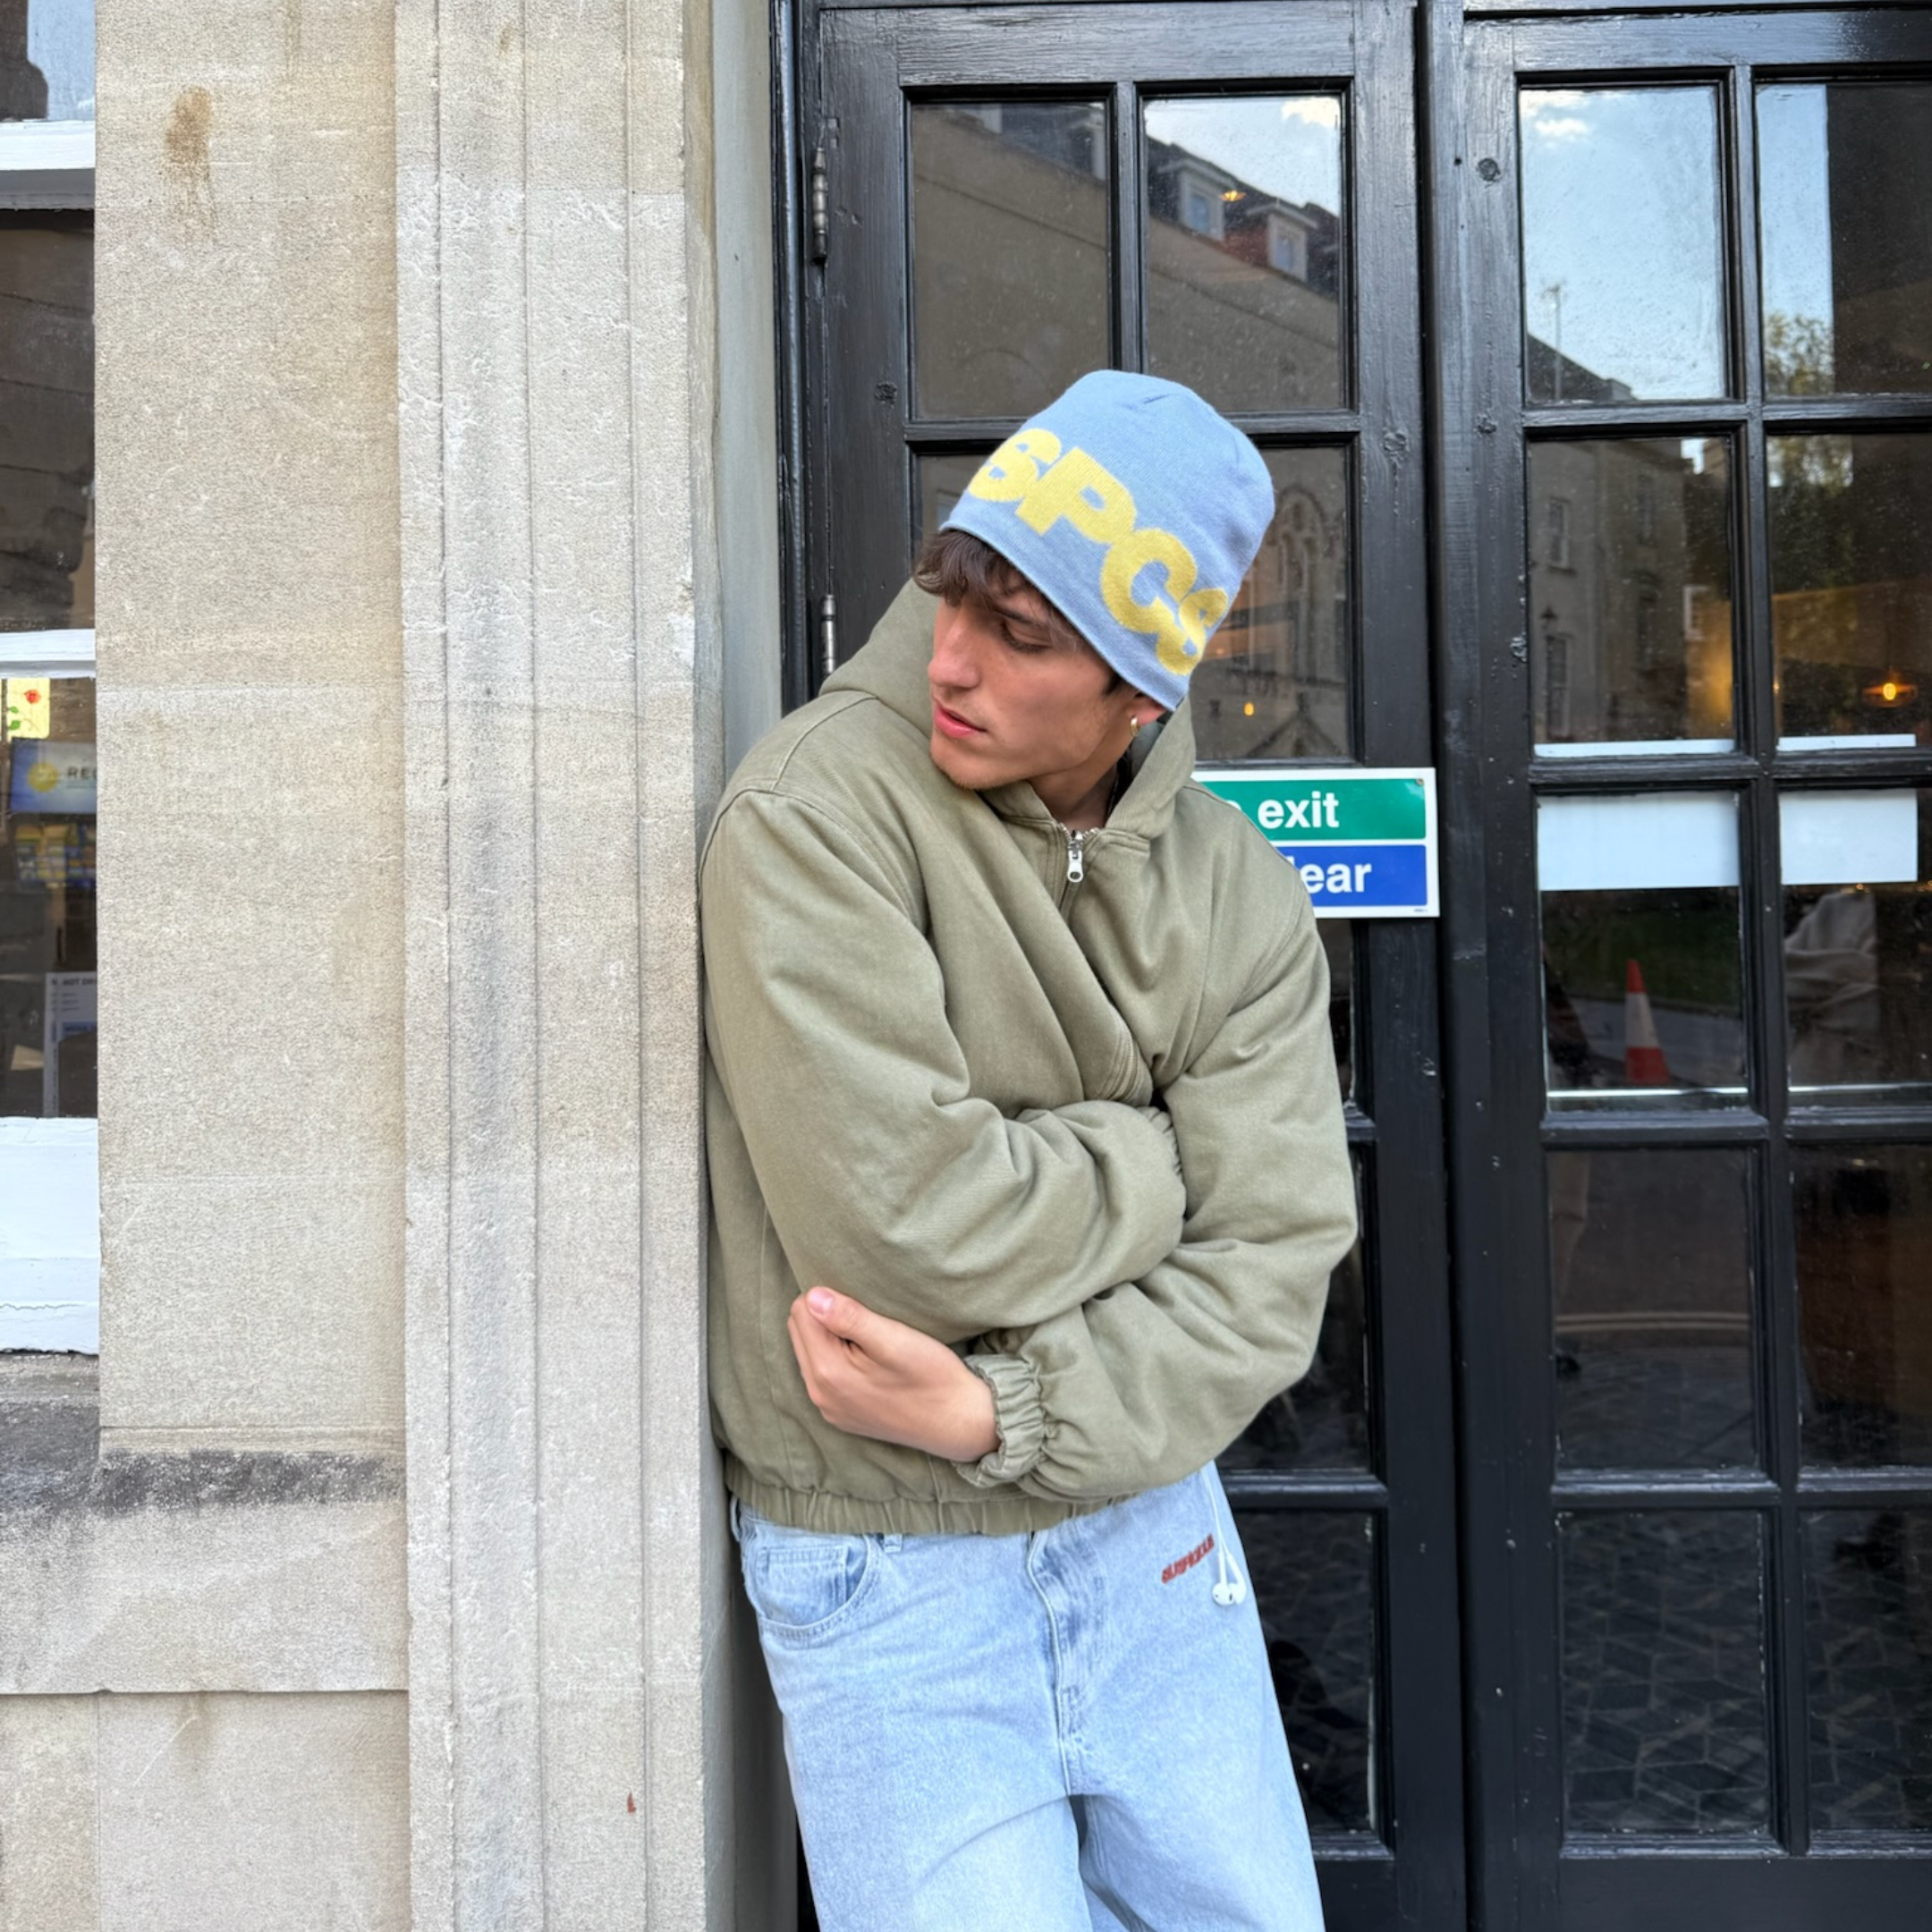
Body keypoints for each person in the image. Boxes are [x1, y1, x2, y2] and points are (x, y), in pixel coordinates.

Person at [701, 370, 1356, 1929]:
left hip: (1152, 1528)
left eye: (1022, 634)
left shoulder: (1236, 892)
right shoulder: (812, 814)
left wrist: (1004, 1407)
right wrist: (1155, 1163)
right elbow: (909, 1232)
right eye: (953, 599)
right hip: (885, 1554)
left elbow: (1272, 1269)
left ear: (1142, 691)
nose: (953, 660)